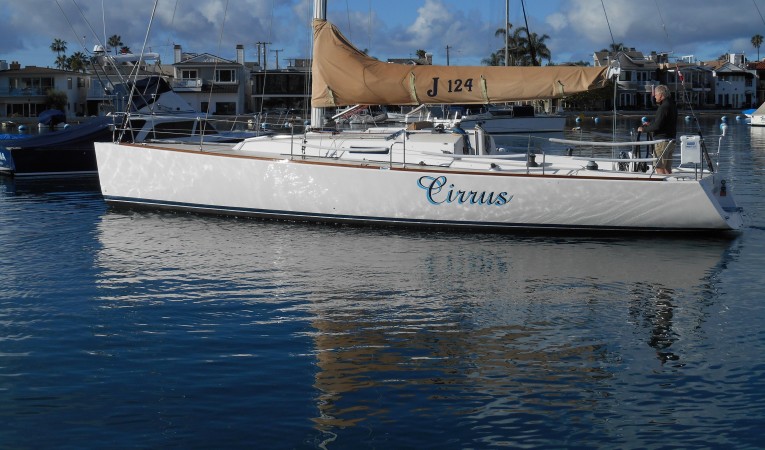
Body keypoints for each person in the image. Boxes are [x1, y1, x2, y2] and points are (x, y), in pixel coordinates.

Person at [638, 85, 677, 174]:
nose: (655, 96)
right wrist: (650, 124)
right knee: (667, 167)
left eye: (656, 94)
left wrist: (643, 129)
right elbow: (664, 122)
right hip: (671, 140)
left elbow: (657, 126)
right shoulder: (672, 105)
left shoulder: (663, 107)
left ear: (661, 95)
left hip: (662, 142)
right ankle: (670, 182)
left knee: (658, 166)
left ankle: (662, 182)